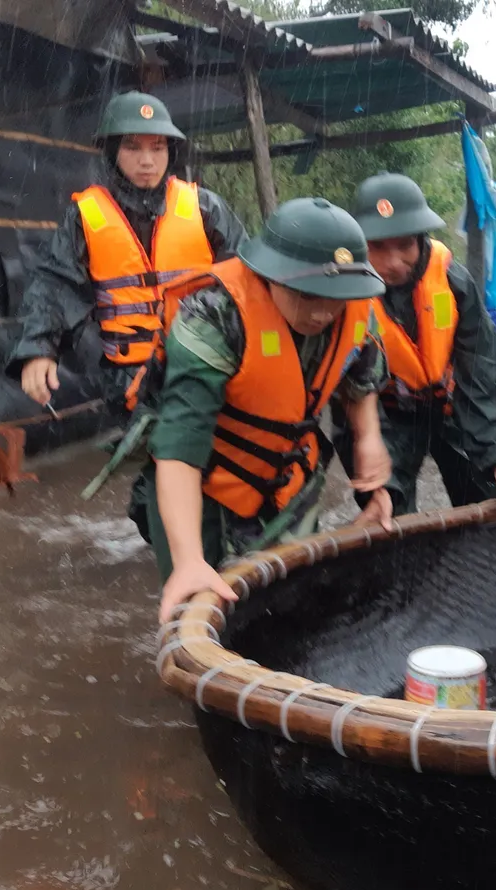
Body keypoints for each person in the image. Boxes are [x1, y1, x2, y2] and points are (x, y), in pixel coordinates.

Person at [140, 198, 393, 624]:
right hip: (205, 484)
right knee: (204, 611)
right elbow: (180, 445)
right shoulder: (214, 317)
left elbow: (360, 377)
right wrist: (187, 560)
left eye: (333, 299)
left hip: (288, 476)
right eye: (306, 294)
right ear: (270, 273)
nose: (320, 312)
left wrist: (368, 440)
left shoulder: (355, 307)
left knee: (294, 605)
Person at [6, 91, 246, 418]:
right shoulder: (86, 214)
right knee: (153, 461)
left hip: (203, 366)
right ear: (112, 153)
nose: (146, 160)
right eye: (132, 147)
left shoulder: (205, 208)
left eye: (157, 147)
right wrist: (37, 349)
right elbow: (54, 283)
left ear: (170, 151)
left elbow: (247, 282)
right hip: (128, 379)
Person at [333, 172, 496, 517]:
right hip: (388, 415)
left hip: (452, 407)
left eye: (404, 245)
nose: (393, 262)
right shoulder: (341, 299)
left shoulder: (453, 282)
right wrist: (375, 477)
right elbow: (344, 393)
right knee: (387, 511)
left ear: (422, 240)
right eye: (378, 247)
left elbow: (483, 369)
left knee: (488, 494)